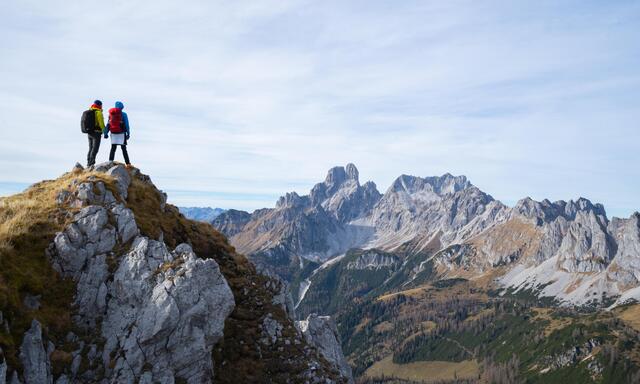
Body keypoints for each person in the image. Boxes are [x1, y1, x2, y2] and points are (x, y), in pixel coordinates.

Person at [104, 101, 132, 166]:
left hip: (113, 133)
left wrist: (106, 133)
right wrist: (128, 133)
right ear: (122, 107)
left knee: (113, 148)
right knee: (124, 149)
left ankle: (110, 161)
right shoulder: (124, 114)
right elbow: (127, 125)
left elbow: (108, 124)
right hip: (122, 133)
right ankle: (128, 163)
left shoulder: (111, 114)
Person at [86, 100, 105, 166]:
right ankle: (91, 163)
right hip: (96, 133)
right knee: (95, 149)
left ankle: (88, 162)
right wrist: (104, 131)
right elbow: (101, 123)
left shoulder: (90, 111)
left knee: (90, 148)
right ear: (100, 105)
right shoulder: (98, 112)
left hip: (89, 133)